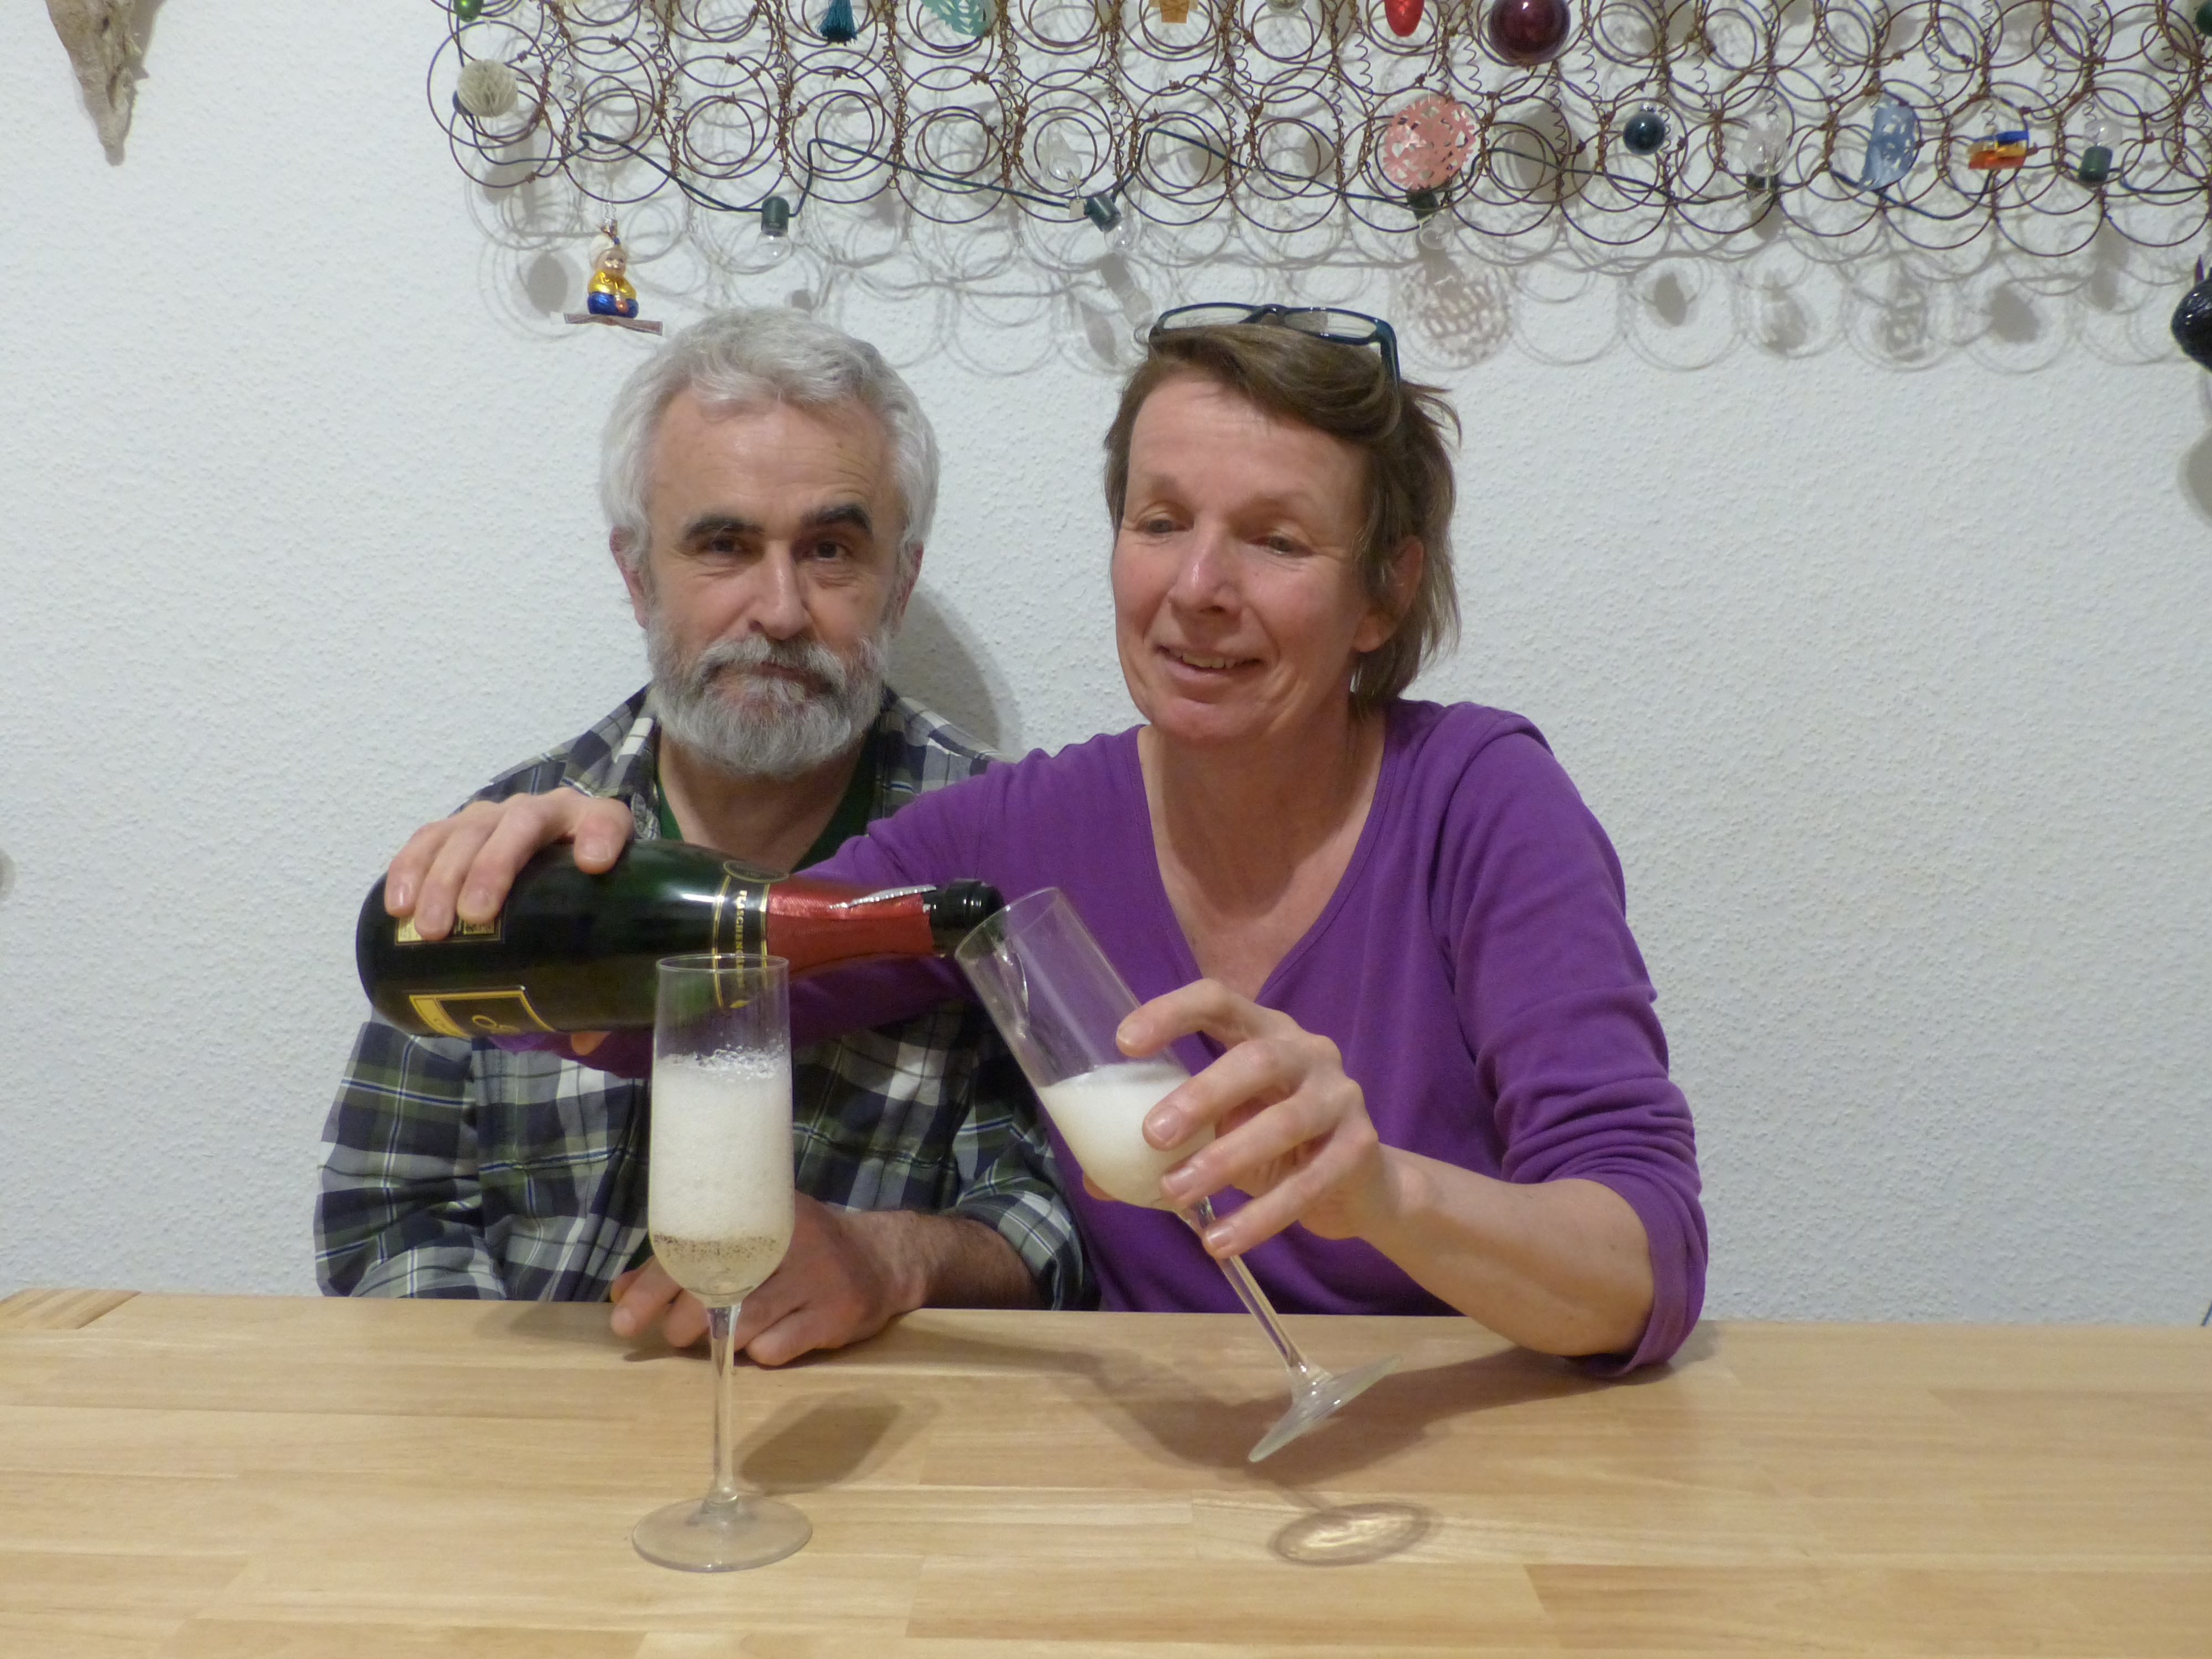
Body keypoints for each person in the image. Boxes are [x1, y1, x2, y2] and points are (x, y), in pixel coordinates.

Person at [388, 304, 1706, 1371]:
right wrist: (538, 889)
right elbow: (713, 986)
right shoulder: (1017, 834)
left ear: (1384, 593)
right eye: (1159, 522)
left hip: (1463, 1465)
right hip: (1147, 1477)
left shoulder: (1480, 801)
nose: (1197, 588)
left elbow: (1640, 1266)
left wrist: (1382, 1195)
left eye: (1275, 539)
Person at [319, 308, 1086, 1365]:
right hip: (535, 1427)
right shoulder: (505, 851)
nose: (779, 610)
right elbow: (382, 1212)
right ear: (637, 574)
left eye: (831, 550)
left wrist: (893, 1257)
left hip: (861, 1429)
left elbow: (1065, 1222)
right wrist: (513, 1418)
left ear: (900, 581)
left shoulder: (991, 851)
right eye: (723, 546)